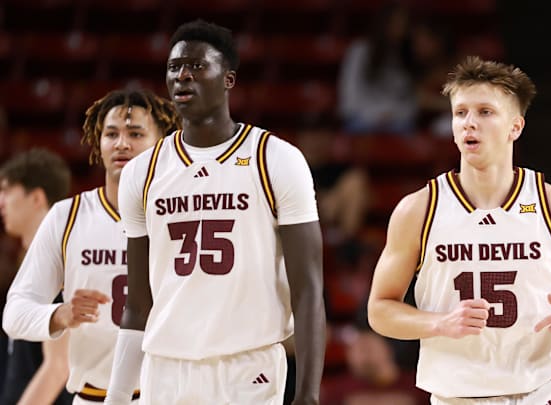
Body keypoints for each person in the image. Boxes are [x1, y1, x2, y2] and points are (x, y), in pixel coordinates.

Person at [366, 56, 551, 405]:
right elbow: (380, 310)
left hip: (544, 390)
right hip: (458, 395)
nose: (470, 123)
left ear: (515, 127)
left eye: (485, 112)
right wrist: (439, 323)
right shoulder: (418, 210)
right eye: (461, 113)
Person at [104, 20, 326, 405]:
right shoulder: (142, 172)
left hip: (248, 367)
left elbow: (308, 289)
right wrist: (118, 396)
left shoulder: (276, 159)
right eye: (174, 68)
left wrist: (308, 394)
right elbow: (137, 303)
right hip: (166, 368)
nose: (183, 76)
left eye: (197, 66)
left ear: (228, 79)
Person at [2, 89, 180, 404]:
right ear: (99, 143)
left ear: (161, 144)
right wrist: (60, 315)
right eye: (111, 134)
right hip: (91, 396)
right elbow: (14, 313)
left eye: (135, 133)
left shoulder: (183, 216)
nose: (121, 143)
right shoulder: (67, 216)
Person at [0, 148, 73, 405]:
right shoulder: (27, 260)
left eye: (7, 191)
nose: (1, 202)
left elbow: (58, 368)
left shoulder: (58, 262)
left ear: (36, 198)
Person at [337, 1, 418, 135]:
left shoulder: (407, 57)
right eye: (395, 23)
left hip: (397, 122)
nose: (399, 28)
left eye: (403, 24)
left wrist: (392, 115)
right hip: (362, 119)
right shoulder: (359, 51)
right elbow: (349, 96)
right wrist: (374, 116)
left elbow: (410, 101)